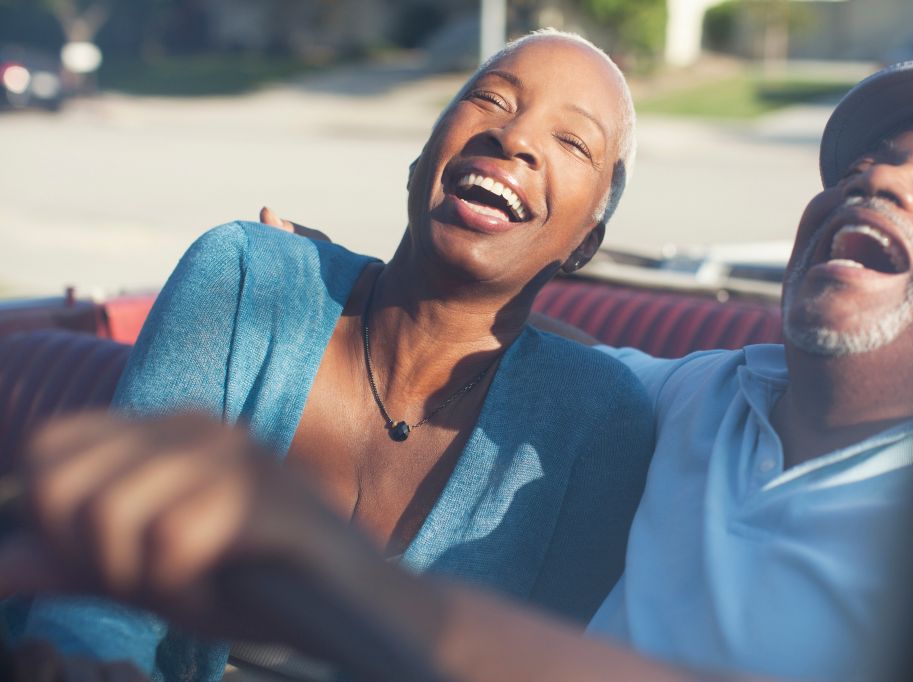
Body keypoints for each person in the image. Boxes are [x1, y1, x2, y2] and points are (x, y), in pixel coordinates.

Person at [0, 59, 913, 681]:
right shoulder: (695, 396)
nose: (876, 180)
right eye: (853, 170)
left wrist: (350, 585)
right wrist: (315, 278)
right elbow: (483, 338)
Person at [0, 30, 657, 681]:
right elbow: (99, 593)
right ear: (422, 157)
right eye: (492, 99)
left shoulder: (600, 420)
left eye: (572, 141)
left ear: (585, 243)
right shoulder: (247, 277)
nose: (514, 139)